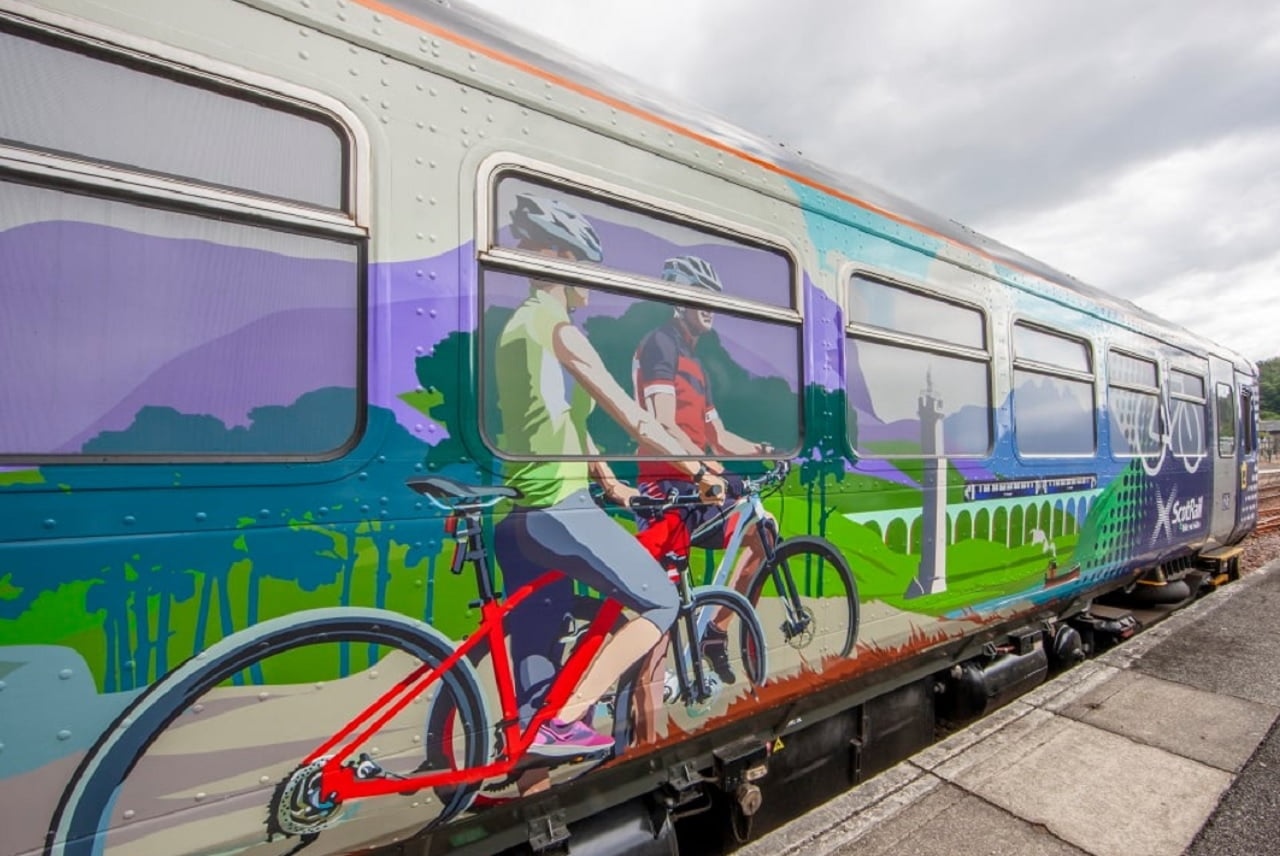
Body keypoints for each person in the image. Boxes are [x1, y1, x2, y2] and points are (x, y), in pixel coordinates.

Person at [491, 194, 726, 773]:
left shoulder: (516, 328)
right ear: (555, 261)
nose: (588, 281)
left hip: (518, 514)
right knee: (659, 600)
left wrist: (612, 486)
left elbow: (566, 423)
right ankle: (568, 718)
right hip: (558, 510)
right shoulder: (561, 331)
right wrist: (700, 471)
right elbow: (636, 418)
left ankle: (532, 747)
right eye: (581, 266)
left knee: (535, 666)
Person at [628, 256, 776, 743]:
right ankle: (645, 710)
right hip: (667, 483)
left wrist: (761, 450)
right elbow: (662, 423)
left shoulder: (696, 362)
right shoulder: (660, 346)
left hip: (699, 478)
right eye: (702, 297)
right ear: (681, 301)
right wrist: (704, 469)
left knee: (763, 534)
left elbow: (718, 433)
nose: (710, 307)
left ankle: (714, 628)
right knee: (662, 601)